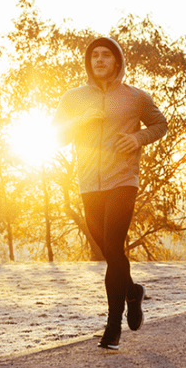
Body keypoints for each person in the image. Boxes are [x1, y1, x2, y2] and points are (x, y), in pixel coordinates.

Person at [52, 37, 168, 350]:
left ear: (117, 61)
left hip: (123, 180)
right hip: (89, 183)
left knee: (114, 246)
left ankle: (113, 327)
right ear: (89, 62)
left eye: (107, 55)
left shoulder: (136, 97)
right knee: (109, 251)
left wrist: (138, 137)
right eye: (95, 56)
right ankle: (133, 292)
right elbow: (55, 136)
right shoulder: (73, 97)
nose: (100, 60)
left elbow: (160, 124)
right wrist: (80, 120)